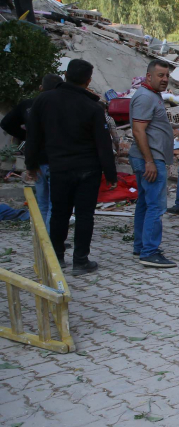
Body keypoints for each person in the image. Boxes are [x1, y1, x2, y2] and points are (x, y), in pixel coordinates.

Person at [24, 60, 116, 275]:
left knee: (59, 213)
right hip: (88, 169)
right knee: (84, 215)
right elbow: (103, 144)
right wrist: (111, 174)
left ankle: (56, 257)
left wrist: (31, 164)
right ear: (88, 80)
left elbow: (33, 136)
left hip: (59, 167)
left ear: (65, 75)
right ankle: (80, 260)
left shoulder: (43, 100)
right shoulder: (93, 106)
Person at [128, 60, 177, 269]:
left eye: (166, 75)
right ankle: (149, 251)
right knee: (156, 206)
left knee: (145, 203)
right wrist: (149, 161)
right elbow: (138, 131)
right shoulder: (145, 97)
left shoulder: (152, 95)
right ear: (149, 76)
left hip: (151, 157)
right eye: (160, 75)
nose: (164, 79)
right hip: (150, 159)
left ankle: (141, 246)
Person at [3, 75, 62, 230]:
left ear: (41, 88)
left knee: (42, 202)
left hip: (38, 161)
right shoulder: (64, 106)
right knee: (55, 204)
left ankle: (43, 239)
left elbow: (6, 123)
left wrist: (26, 136)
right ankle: (52, 239)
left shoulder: (29, 105)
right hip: (58, 160)